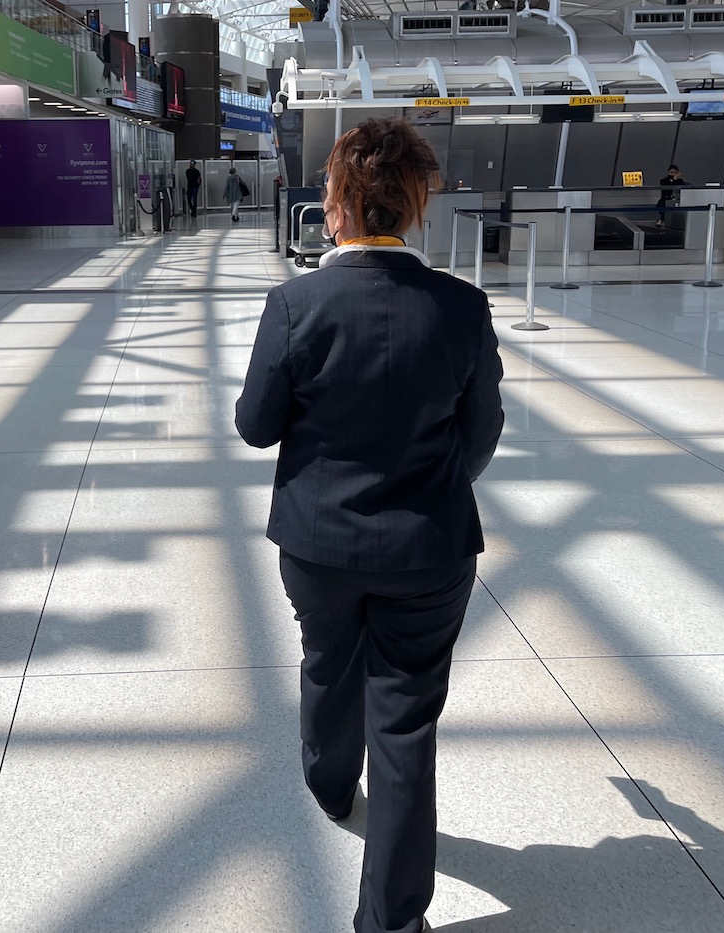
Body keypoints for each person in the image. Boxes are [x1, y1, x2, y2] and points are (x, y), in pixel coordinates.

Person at [235, 117, 505, 933]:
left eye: (327, 190)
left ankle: (326, 780)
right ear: (413, 206)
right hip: (429, 550)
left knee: (328, 657)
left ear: (344, 206)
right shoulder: (462, 306)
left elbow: (256, 424)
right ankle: (390, 920)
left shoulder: (295, 304)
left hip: (318, 543)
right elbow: (483, 429)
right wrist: (432, 486)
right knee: (408, 717)